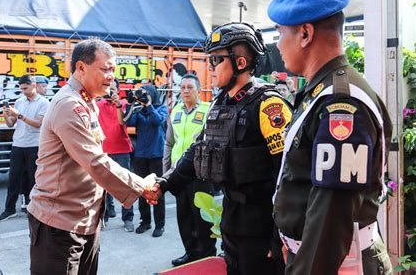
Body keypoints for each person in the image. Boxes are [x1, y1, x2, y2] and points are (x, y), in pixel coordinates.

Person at [268, 0, 393, 274]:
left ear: (305, 34)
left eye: (280, 33)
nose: (276, 44)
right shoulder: (323, 90)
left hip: (338, 264)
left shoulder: (340, 102)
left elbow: (332, 215)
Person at [153, 22, 292, 274]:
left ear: (240, 63)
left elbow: (288, 175)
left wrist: (279, 234)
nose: (211, 67)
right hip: (232, 219)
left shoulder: (268, 105)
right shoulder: (219, 104)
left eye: (216, 59)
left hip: (261, 225)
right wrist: (164, 183)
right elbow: (197, 150)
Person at [27, 39, 157, 274]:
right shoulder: (69, 105)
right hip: (60, 224)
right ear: (81, 67)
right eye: (105, 69)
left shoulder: (88, 102)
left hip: (85, 220)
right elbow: (95, 161)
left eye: (113, 70)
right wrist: (141, 186)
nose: (111, 76)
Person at [162, 73, 217, 266]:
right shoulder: (175, 110)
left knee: (203, 217)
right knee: (184, 217)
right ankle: (191, 253)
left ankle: (208, 255)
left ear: (199, 90)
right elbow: (169, 143)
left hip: (200, 174)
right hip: (179, 173)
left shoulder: (208, 109)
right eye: (182, 87)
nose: (185, 91)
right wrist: (166, 172)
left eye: (189, 87)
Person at [0, 74, 49, 221]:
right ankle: (9, 209)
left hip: (34, 144)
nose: (23, 91)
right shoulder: (19, 101)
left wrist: (19, 115)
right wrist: (7, 115)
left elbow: (38, 124)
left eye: (25, 88)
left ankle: (33, 208)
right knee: (13, 178)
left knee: (34, 179)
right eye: (21, 89)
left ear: (33, 85)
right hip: (18, 144)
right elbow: (10, 124)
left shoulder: (44, 103)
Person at [125, 84, 168, 237]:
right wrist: (130, 104)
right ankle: (145, 221)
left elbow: (159, 121)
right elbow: (128, 122)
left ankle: (159, 224)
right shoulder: (138, 109)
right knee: (142, 190)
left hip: (156, 154)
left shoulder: (161, 108)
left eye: (147, 95)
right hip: (141, 155)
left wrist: (149, 105)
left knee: (157, 190)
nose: (144, 98)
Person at [97, 78, 135, 232]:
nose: (109, 91)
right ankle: (103, 217)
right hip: (104, 151)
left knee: (126, 186)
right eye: (107, 88)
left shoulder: (124, 105)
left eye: (113, 89)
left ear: (118, 90)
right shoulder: (98, 105)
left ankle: (128, 218)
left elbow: (122, 122)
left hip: (122, 151)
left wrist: (118, 104)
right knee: (103, 188)